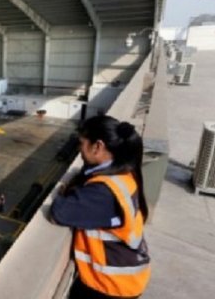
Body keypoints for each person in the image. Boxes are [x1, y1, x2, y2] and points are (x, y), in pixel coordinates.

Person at [51, 115, 150, 299]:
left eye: (82, 143)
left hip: (110, 286)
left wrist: (65, 191)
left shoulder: (104, 192)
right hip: (123, 277)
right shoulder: (123, 173)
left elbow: (59, 212)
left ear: (98, 147)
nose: (79, 149)